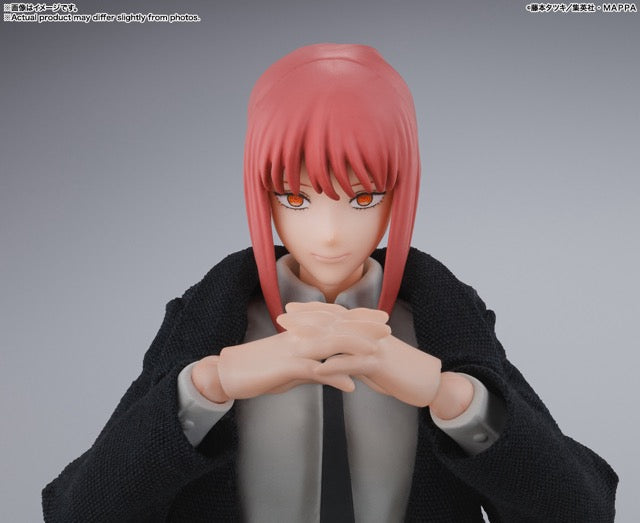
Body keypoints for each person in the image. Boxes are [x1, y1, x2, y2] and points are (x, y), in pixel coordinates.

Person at [43, 43, 618, 522]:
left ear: (400, 194)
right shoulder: (208, 320)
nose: (330, 232)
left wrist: (452, 397)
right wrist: (208, 386)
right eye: (295, 198)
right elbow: (78, 509)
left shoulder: (444, 322)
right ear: (262, 195)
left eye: (363, 198)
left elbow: (582, 508)